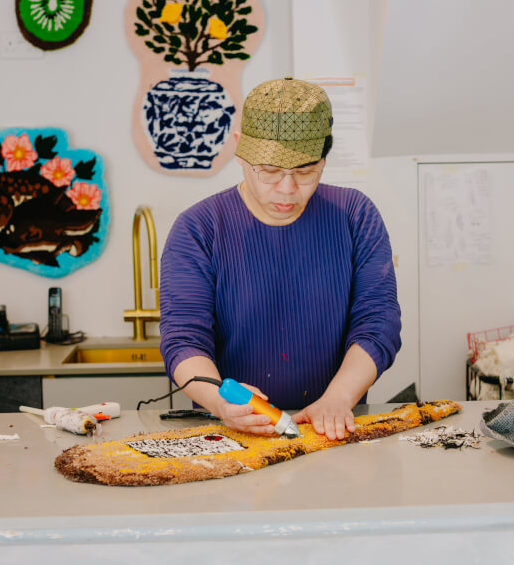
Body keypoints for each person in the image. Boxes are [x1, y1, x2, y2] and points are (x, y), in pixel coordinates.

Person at [159, 77, 401, 441]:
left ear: (323, 158)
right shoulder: (198, 228)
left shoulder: (354, 216)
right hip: (231, 433)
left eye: (305, 171)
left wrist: (338, 398)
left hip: (333, 427)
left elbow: (378, 323)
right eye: (270, 172)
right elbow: (183, 339)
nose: (288, 189)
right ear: (240, 151)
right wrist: (221, 402)